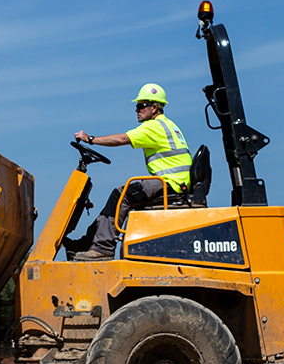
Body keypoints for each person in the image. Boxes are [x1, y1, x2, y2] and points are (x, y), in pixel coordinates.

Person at [66, 83, 192, 261]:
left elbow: (121, 139)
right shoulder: (168, 125)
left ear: (154, 107)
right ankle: (88, 242)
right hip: (176, 182)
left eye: (141, 105)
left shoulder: (154, 126)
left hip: (170, 183)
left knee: (121, 194)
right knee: (119, 196)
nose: (136, 109)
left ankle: (103, 248)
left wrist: (90, 139)